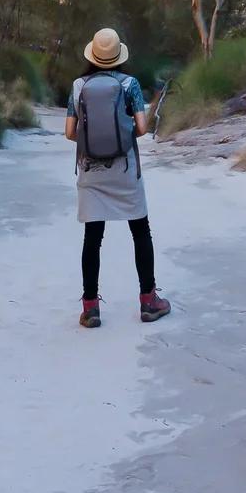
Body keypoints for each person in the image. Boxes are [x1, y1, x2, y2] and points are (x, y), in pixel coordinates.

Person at [63, 27, 169, 328]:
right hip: (124, 169)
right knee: (140, 231)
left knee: (92, 238)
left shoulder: (78, 86)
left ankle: (90, 308)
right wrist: (120, 136)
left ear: (93, 55)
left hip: (90, 171)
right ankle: (149, 302)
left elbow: (70, 132)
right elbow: (142, 128)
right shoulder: (130, 84)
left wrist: (92, 140)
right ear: (118, 57)